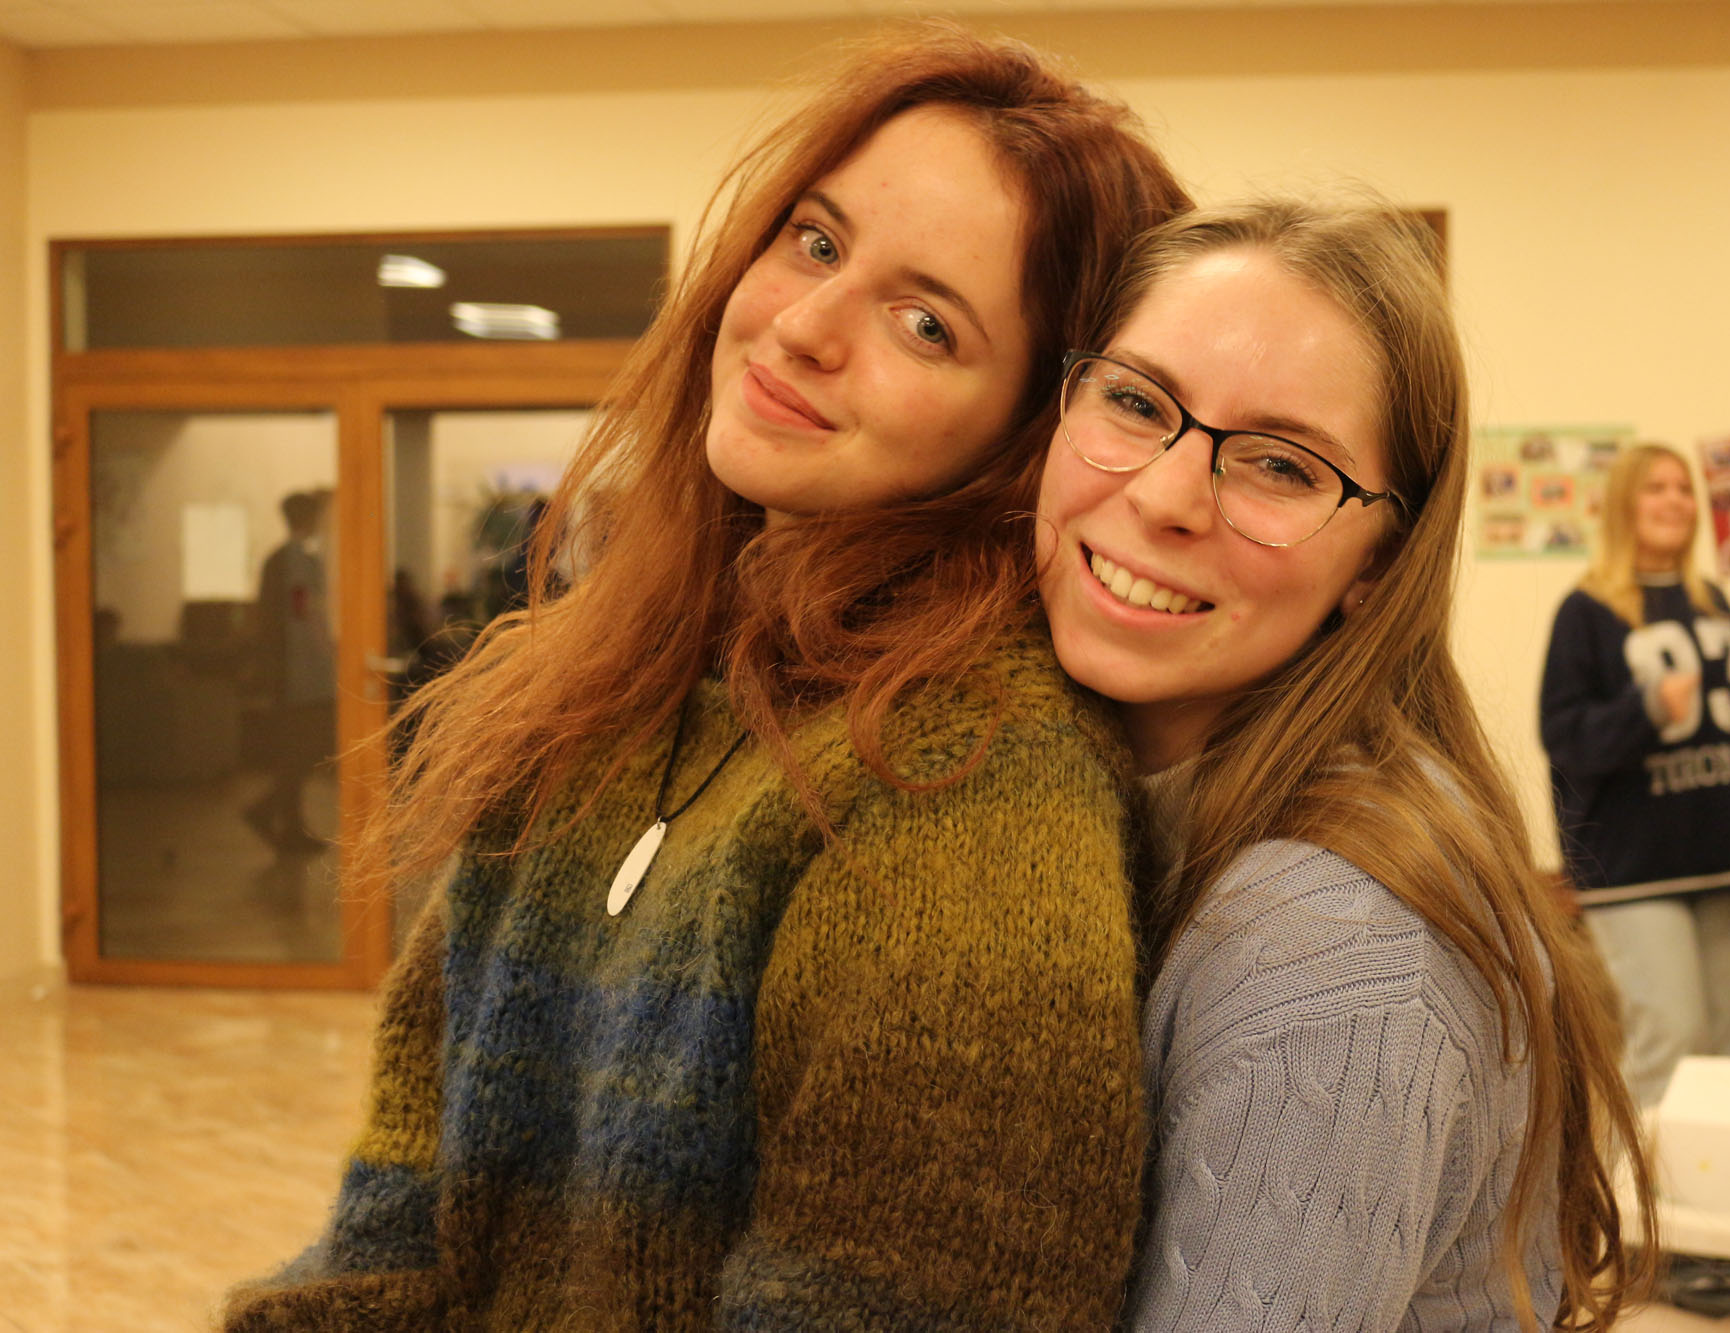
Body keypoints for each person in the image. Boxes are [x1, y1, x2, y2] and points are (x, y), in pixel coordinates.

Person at [224, 24, 1188, 1330]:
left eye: (924, 323)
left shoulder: (969, 773)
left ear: (1028, 430)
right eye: (815, 242)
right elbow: (396, 1209)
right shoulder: (596, 678)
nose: (802, 326)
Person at [1035, 198, 1651, 1331]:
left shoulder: (1333, 944)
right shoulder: (1077, 796)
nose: (1164, 497)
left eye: (1279, 465)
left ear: (1377, 565)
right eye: (1134, 400)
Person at [1539, 442, 1730, 1108]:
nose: (1674, 501)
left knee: (1719, 1043)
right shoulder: (1587, 609)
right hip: (1631, 865)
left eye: (1683, 488)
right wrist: (1649, 708)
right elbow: (1565, 736)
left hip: (1715, 855)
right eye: (1656, 487)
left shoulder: (1710, 601)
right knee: (1671, 1036)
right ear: (1623, 505)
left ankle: (1714, 1174)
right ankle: (1634, 1176)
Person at [243, 488, 335, 854]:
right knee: (307, 747)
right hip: (301, 675)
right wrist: (329, 656)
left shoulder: (280, 559)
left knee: (297, 750)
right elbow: (304, 616)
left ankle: (287, 823)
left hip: (288, 673)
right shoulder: (298, 561)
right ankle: (269, 812)